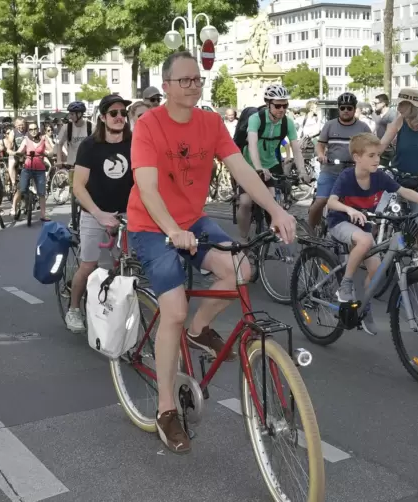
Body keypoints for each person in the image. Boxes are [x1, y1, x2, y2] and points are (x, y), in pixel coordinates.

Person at [126, 51, 296, 454]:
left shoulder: (210, 122)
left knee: (240, 268)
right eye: (183, 81)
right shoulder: (149, 126)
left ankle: (199, 330)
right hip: (152, 227)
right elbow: (147, 188)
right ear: (165, 86)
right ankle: (166, 410)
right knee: (173, 309)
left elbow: (241, 168)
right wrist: (172, 230)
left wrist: (274, 209)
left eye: (196, 80)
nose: (192, 86)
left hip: (192, 221)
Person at [327, 133, 418, 335]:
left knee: (377, 270)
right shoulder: (348, 176)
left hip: (361, 228)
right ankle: (345, 285)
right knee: (365, 240)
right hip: (340, 222)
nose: (376, 160)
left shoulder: (379, 177)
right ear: (357, 158)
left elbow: (404, 191)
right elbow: (332, 201)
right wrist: (350, 210)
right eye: (371, 155)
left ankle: (364, 309)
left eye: (378, 155)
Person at [65, 95, 135, 332]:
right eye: (114, 113)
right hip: (94, 213)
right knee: (89, 265)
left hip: (126, 214)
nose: (119, 118)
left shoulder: (134, 142)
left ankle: (118, 310)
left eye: (123, 114)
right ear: (103, 118)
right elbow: (78, 186)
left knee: (126, 264)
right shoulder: (90, 146)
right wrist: (98, 214)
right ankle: (74, 309)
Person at [379, 88, 418, 271]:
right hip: (399, 178)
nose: (398, 107)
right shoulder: (399, 121)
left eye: (402, 104)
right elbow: (383, 143)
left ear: (413, 106)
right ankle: (390, 251)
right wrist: (371, 157)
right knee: (384, 216)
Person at [238, 84, 303, 242]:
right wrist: (258, 168)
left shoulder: (287, 123)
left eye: (285, 105)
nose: (282, 109)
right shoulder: (256, 119)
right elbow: (252, 145)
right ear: (268, 104)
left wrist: (303, 172)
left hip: (272, 162)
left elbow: (296, 148)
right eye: (278, 105)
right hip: (250, 163)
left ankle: (272, 232)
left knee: (273, 199)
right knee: (246, 202)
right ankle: (243, 238)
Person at [308, 92, 372, 231]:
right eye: (342, 108)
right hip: (331, 170)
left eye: (349, 108)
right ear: (338, 109)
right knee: (321, 201)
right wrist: (320, 154)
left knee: (358, 203)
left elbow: (372, 147)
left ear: (355, 109)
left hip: (353, 172)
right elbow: (320, 144)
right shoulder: (330, 125)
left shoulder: (363, 128)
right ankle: (310, 231)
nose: (346, 111)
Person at [13, 122, 53, 221]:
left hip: (40, 169)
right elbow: (20, 150)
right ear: (28, 131)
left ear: (38, 129)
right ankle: (15, 207)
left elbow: (51, 151)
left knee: (41, 193)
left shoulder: (43, 139)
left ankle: (43, 215)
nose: (33, 131)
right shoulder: (26, 140)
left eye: (35, 129)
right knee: (22, 188)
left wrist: (48, 153)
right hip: (27, 167)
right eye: (31, 129)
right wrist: (18, 155)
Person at [55, 102, 90, 167]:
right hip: (72, 164)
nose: (70, 117)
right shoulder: (67, 127)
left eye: (72, 114)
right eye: (69, 114)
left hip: (88, 165)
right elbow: (59, 143)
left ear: (79, 114)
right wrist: (59, 160)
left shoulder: (91, 127)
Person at [6, 117, 27, 192]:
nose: (21, 126)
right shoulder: (13, 132)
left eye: (22, 124)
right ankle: (14, 183)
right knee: (11, 163)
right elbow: (10, 142)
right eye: (19, 125)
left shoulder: (28, 131)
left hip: (26, 154)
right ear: (15, 125)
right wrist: (9, 149)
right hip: (16, 154)